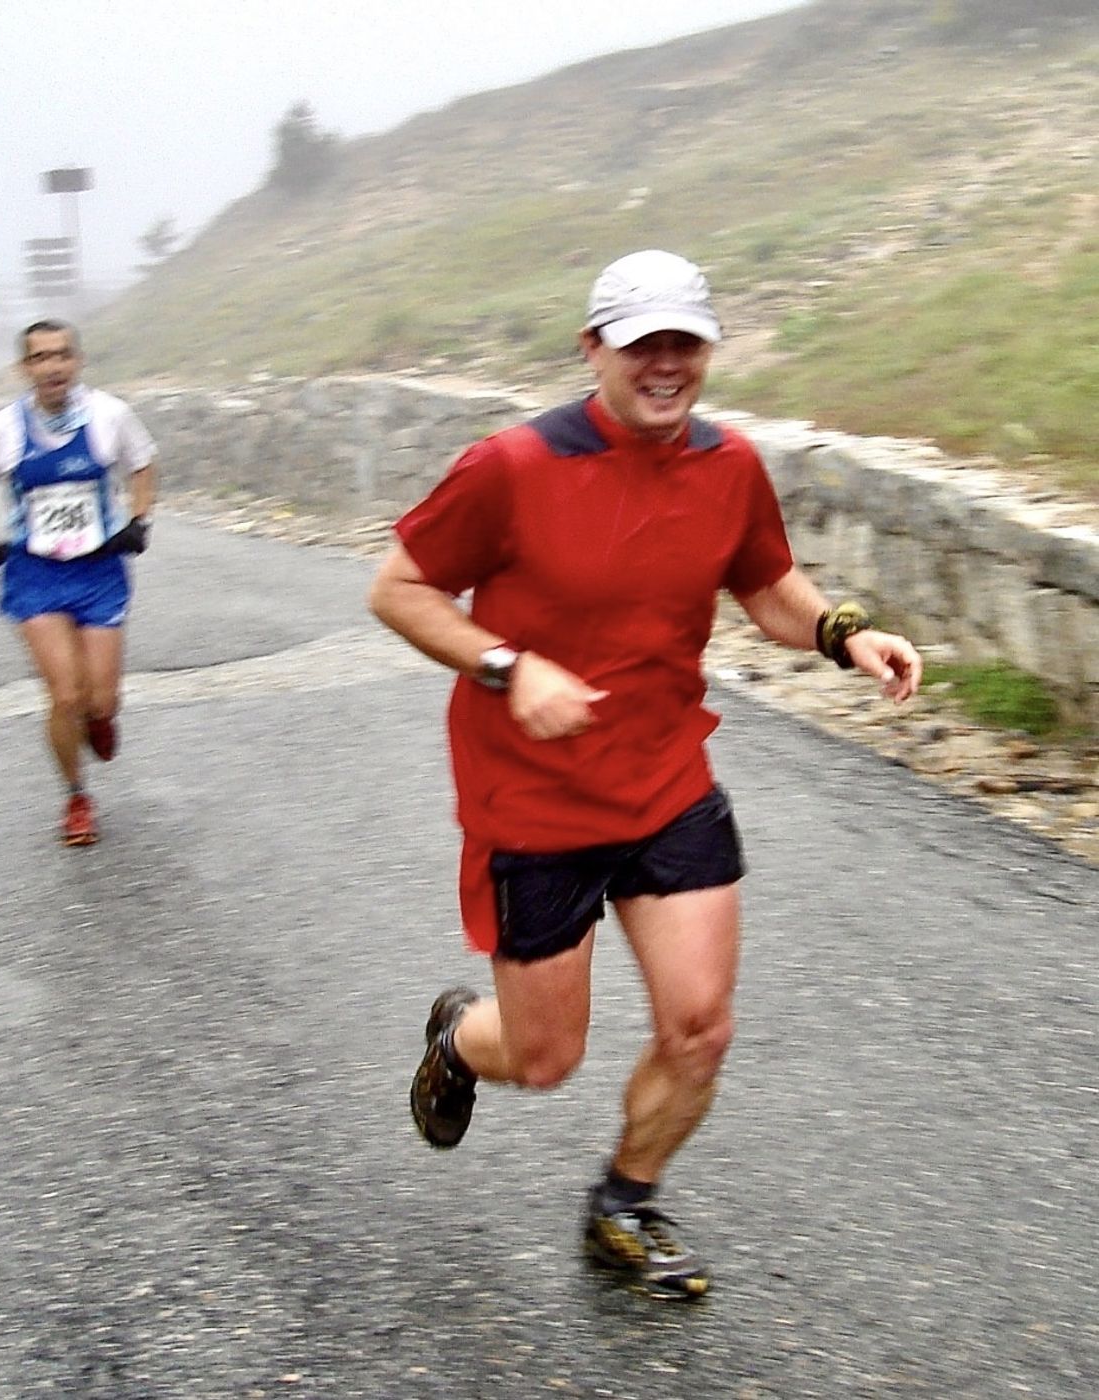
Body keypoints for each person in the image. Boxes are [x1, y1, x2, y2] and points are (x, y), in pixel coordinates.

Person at [368, 249, 922, 1299]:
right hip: (529, 797)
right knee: (542, 1058)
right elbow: (398, 589)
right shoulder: (511, 466)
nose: (665, 365)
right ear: (594, 349)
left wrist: (843, 633)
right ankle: (454, 1035)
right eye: (641, 345)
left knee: (699, 1026)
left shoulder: (727, 463)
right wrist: (505, 663)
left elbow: (764, 584)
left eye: (684, 343)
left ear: (706, 347)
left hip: (665, 781)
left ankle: (622, 1201)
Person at [0, 320, 157, 847]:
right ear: (25, 369)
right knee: (64, 695)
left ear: (78, 361)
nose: (53, 367)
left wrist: (138, 521)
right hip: (35, 574)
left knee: (100, 701)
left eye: (62, 355)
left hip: (98, 571)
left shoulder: (110, 415)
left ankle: (101, 716)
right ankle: (76, 798)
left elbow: (143, 463)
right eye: (41, 358)